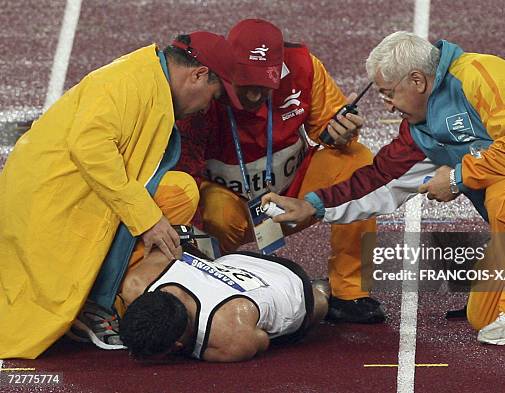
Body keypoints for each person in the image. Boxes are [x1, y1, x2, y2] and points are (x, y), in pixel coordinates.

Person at [263, 31, 505, 345]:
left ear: (417, 80)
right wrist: (313, 205)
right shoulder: (421, 129)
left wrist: (459, 177)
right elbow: (380, 180)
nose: (386, 104)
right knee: (485, 316)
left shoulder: (481, 74)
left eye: (388, 93)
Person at [0, 31, 241, 359]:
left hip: (67, 189)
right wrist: (147, 219)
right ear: (198, 75)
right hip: (48, 201)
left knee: (179, 192)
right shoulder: (130, 81)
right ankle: (92, 305)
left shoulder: (148, 81)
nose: (206, 108)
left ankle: (106, 296)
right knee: (34, 312)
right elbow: (91, 148)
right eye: (212, 96)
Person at [175, 19, 384, 324]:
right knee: (205, 203)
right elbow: (185, 173)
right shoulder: (203, 88)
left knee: (357, 160)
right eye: (245, 85)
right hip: (228, 209)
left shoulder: (304, 67)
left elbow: (333, 129)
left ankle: (350, 290)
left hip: (292, 199)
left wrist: (343, 132)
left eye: (263, 87)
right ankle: (211, 287)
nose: (253, 96)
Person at [118, 241, 329, 362]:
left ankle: (322, 290)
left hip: (292, 284)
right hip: (237, 259)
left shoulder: (230, 341)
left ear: (176, 346)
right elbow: (176, 244)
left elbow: (262, 340)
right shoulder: (136, 283)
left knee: (320, 306)